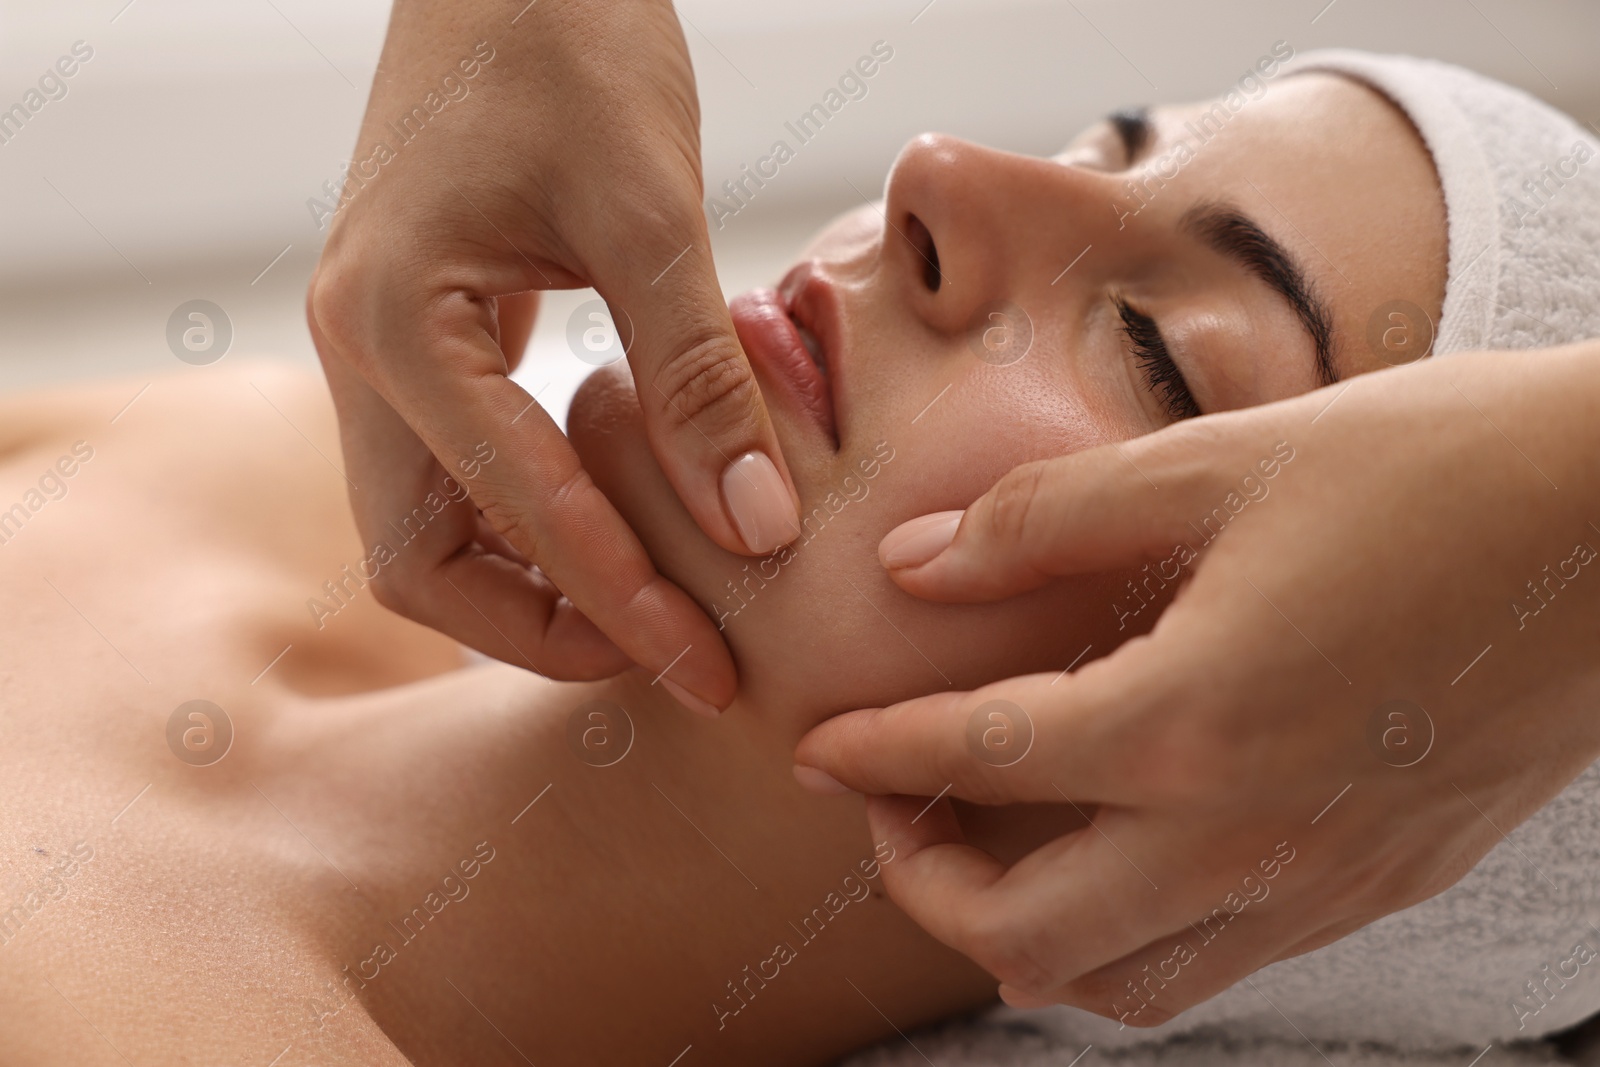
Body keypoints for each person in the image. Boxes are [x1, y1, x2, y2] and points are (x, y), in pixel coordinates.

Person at [7, 51, 1595, 1065]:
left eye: (1156, 349)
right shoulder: (232, 454)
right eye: (1106, 140)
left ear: (1252, 842)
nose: (944, 170)